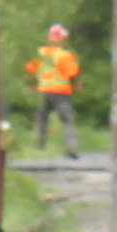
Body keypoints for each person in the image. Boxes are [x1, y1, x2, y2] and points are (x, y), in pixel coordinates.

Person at [23, 22, 84, 158]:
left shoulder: (40, 53)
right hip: (60, 92)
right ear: (61, 39)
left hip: (43, 90)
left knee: (42, 117)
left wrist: (32, 85)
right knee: (68, 120)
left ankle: (40, 145)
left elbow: (30, 71)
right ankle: (72, 147)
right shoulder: (64, 55)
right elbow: (72, 74)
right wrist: (78, 85)